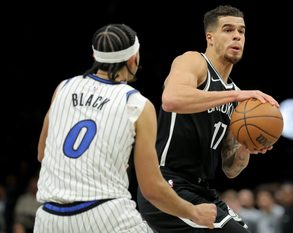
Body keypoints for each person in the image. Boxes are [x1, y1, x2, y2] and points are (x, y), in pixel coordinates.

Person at [33, 23, 217, 233]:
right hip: (106, 215)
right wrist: (194, 212)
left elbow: (42, 153)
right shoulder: (136, 104)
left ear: (96, 57)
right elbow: (152, 189)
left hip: (49, 219)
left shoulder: (63, 88)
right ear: (133, 59)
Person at [137, 5, 279, 233]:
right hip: (167, 185)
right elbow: (171, 99)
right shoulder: (194, 61)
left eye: (242, 31)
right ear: (210, 37)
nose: (237, 36)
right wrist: (236, 95)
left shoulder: (237, 99)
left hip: (202, 191)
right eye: (228, 29)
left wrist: (246, 148)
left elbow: (230, 168)